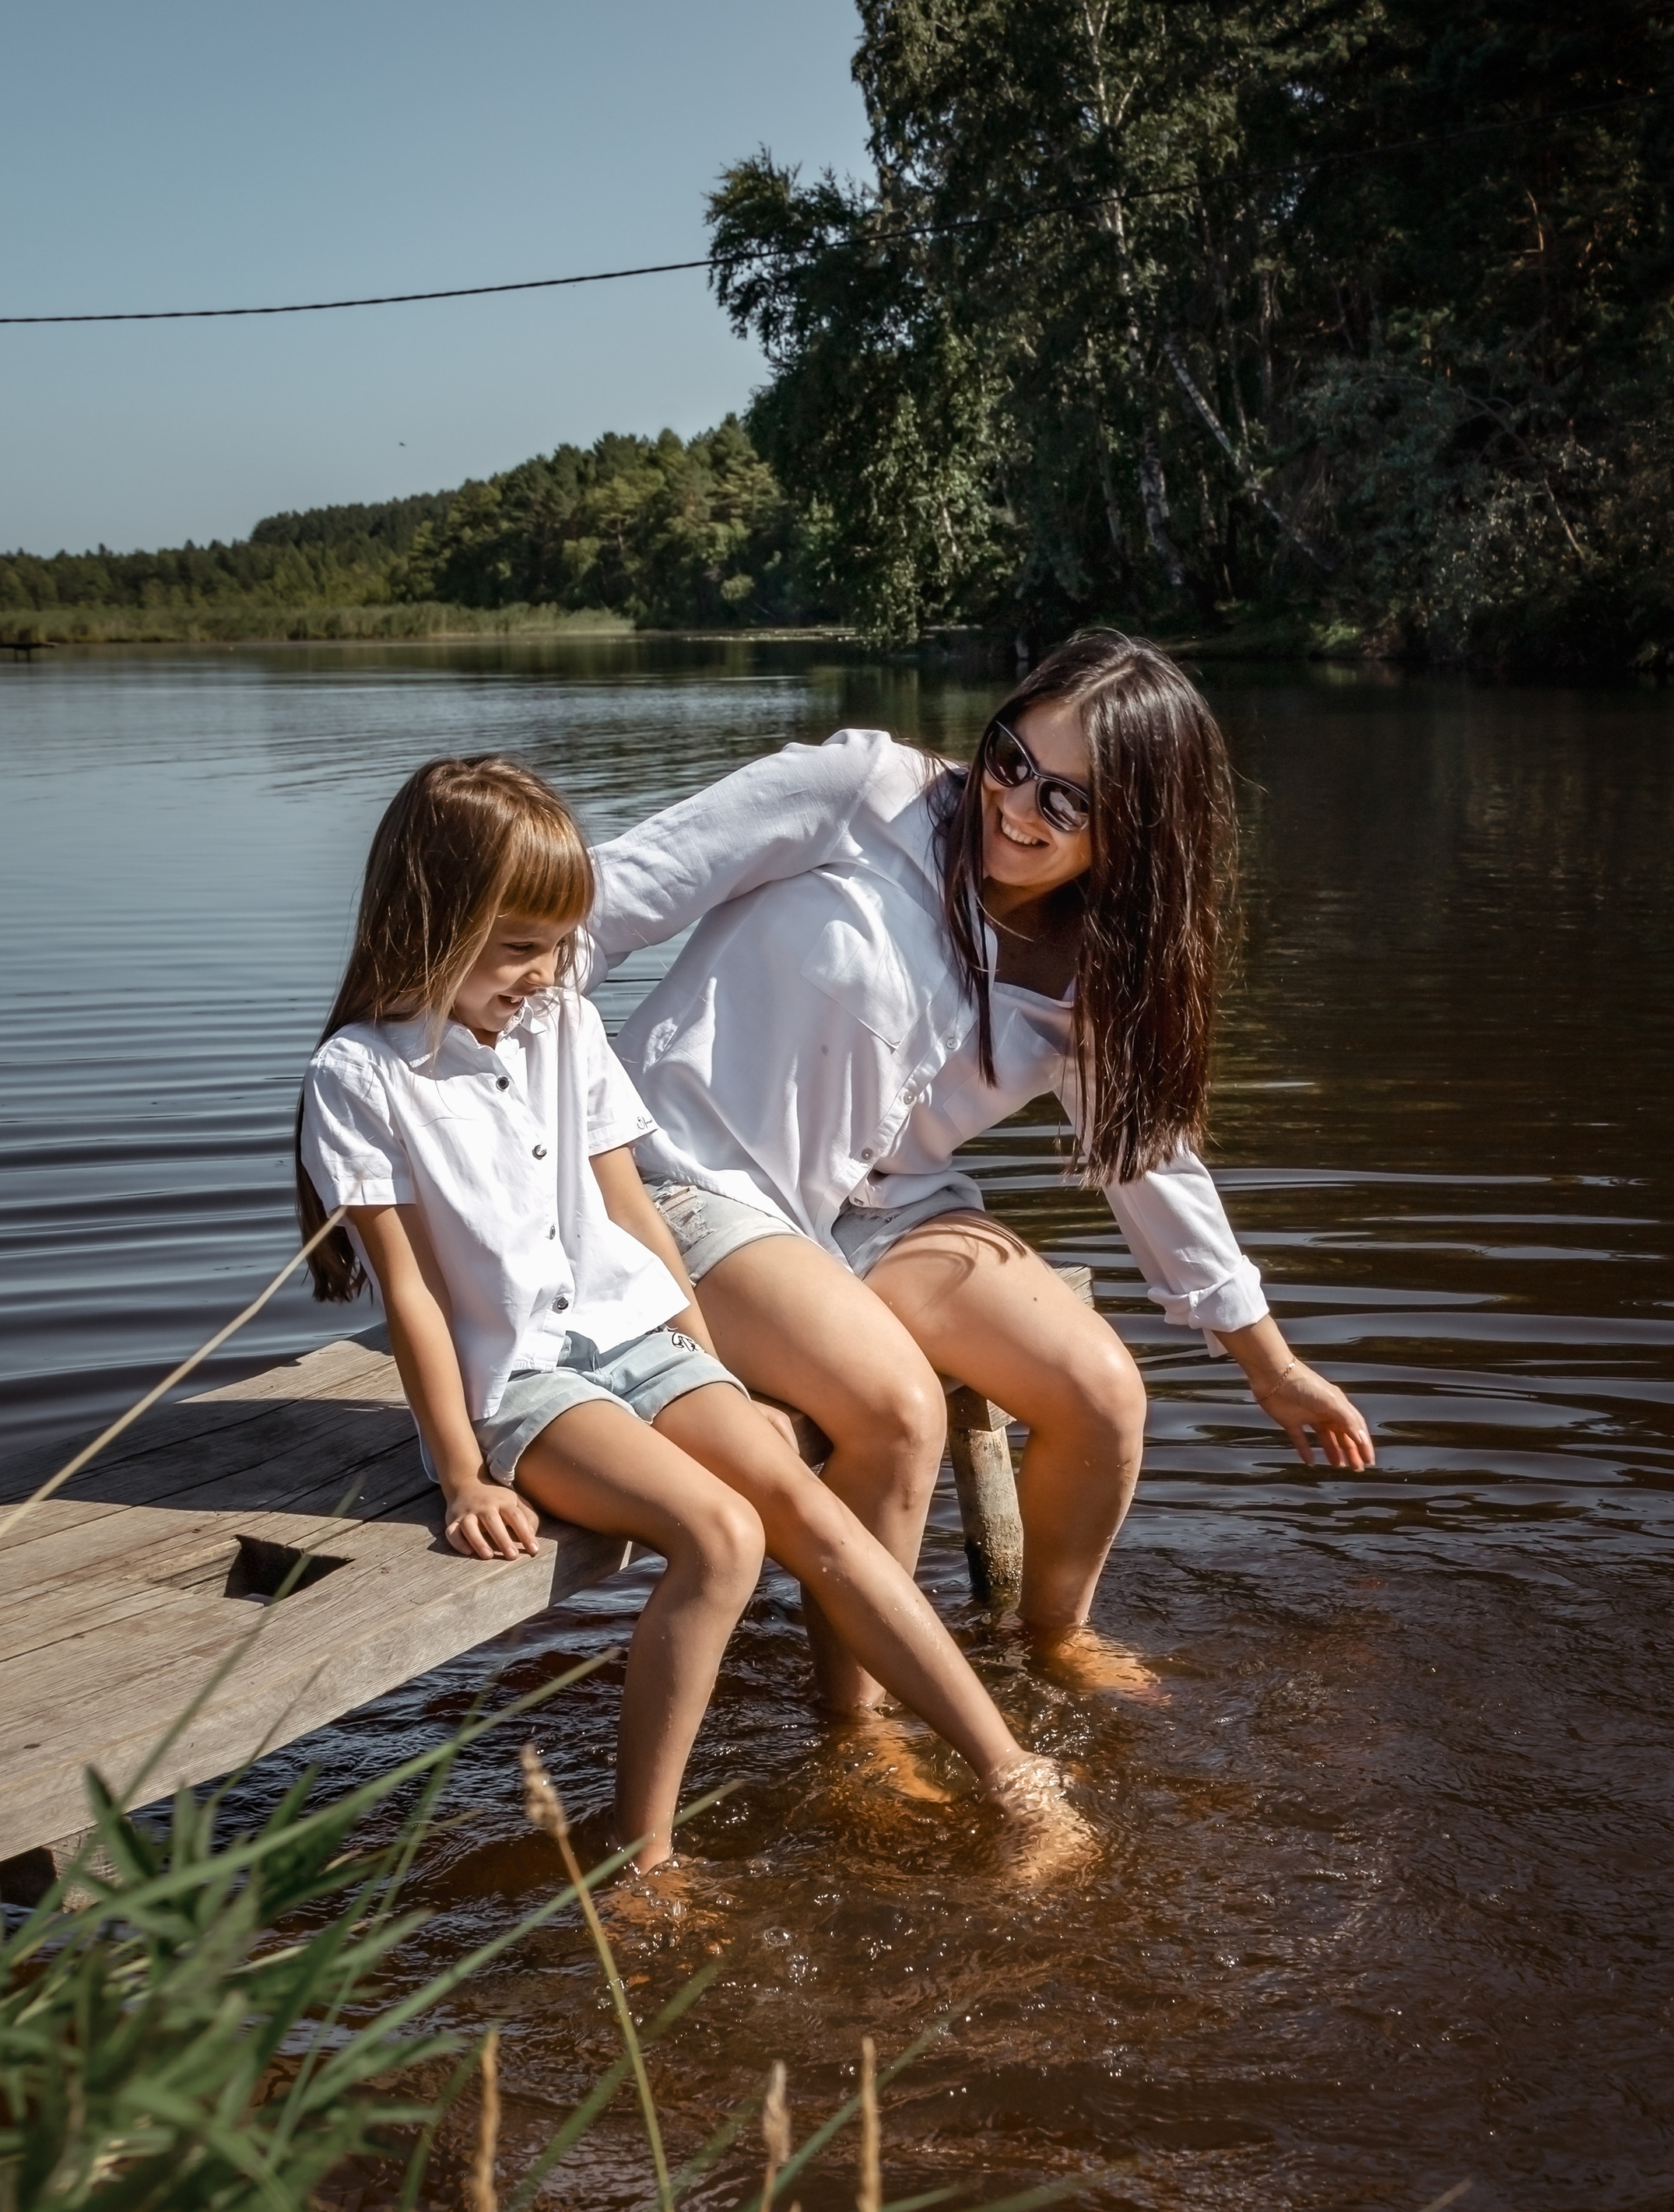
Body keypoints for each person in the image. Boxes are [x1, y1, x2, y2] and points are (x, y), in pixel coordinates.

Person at [296, 756, 1073, 1872]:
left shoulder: (562, 1022)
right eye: (518, 946)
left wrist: (713, 1372)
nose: (546, 971)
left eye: (558, 944)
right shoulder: (360, 1077)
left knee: (813, 1515)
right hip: (526, 1383)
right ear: (432, 920)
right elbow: (413, 1294)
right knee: (721, 1538)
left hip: (641, 1337)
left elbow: (632, 1212)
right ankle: (640, 1856)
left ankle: (1014, 1781)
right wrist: (463, 1473)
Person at [586, 629, 1374, 1709]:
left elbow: (1150, 1164)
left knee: (1101, 1394)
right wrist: (482, 1112)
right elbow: (604, 902)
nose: (1015, 806)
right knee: (899, 1407)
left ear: (1137, 831)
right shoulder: (861, 793)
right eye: (1012, 761)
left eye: (1068, 802)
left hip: (874, 1211)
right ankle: (859, 1731)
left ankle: (1048, 1646)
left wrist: (1268, 1363)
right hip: (683, 1179)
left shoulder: (1094, 970)